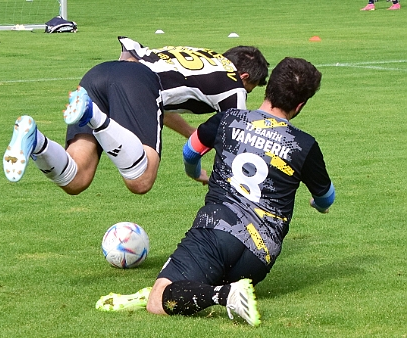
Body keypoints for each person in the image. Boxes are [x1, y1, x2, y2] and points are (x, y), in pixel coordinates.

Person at [95, 57, 336, 326]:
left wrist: (195, 171)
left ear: (268, 90)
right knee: (193, 282)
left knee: (159, 300)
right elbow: (326, 196)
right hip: (260, 256)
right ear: (300, 105)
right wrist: (319, 205)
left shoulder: (228, 119)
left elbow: (191, 149)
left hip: (217, 231)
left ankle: (225, 296)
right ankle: (225, 288)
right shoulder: (304, 144)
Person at [3, 60, 164, 194]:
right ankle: (93, 113)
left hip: (96, 74)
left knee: (76, 179)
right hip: (136, 78)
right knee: (141, 180)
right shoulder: (188, 80)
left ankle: (37, 142)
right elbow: (156, 109)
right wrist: (189, 132)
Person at [118, 36, 269, 138]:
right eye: (249, 89)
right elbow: (239, 136)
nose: (245, 93)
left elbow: (162, 101)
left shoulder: (208, 55)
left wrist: (191, 133)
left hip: (119, 68)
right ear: (244, 77)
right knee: (143, 180)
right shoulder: (233, 85)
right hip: (132, 88)